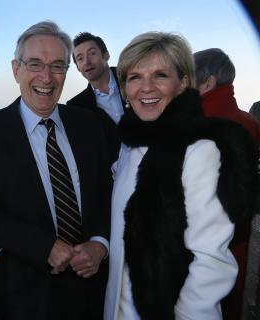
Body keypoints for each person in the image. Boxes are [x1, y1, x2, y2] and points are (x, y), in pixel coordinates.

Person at [0, 21, 113, 320]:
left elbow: (107, 193)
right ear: (16, 69)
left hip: (96, 290)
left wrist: (100, 244)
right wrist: (43, 247)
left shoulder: (90, 125)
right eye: (35, 64)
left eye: (57, 66)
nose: (47, 76)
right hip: (27, 297)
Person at [104, 32, 258, 319]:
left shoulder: (199, 150)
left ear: (183, 82)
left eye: (160, 75)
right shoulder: (129, 143)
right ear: (124, 88)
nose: (145, 87)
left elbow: (210, 264)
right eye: (134, 77)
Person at [194, 47, 260, 320]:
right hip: (242, 242)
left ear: (208, 83)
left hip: (208, 247)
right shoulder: (249, 121)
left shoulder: (203, 126)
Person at [66, 32, 124, 161]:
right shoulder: (77, 107)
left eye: (92, 53)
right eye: (80, 58)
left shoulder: (132, 78)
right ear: (77, 68)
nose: (87, 62)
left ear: (106, 55)